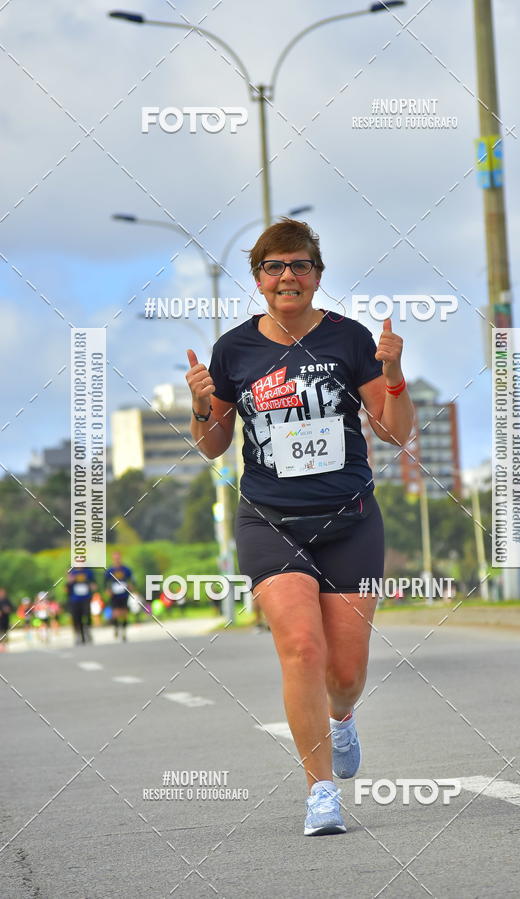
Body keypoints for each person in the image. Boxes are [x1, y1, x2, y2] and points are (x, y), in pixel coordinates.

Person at [185, 218, 414, 835]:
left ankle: (342, 718)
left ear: (317, 274)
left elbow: (393, 431)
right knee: (301, 649)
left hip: (350, 521)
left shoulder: (350, 338)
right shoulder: (234, 350)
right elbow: (212, 446)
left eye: (300, 265)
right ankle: (319, 794)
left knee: (346, 673)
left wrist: (393, 375)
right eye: (274, 266)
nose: (288, 276)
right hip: (270, 520)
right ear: (258, 278)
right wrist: (203, 404)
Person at [104, 551, 135, 641]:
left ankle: (124, 631)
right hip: (114, 594)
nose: (117, 560)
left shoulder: (126, 569)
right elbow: (105, 582)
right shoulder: (110, 570)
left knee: (124, 613)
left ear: (121, 558)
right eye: (115, 558)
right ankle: (116, 627)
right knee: (116, 613)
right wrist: (107, 590)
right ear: (113, 559)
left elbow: (132, 579)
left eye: (118, 558)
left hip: (124, 593)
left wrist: (131, 585)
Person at [66, 567, 96, 644]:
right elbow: (67, 586)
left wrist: (93, 586)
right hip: (74, 599)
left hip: (86, 598)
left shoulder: (88, 571)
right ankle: (79, 635)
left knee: (87, 615)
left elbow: (93, 583)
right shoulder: (71, 571)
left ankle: (88, 631)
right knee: (76, 618)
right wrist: (69, 581)